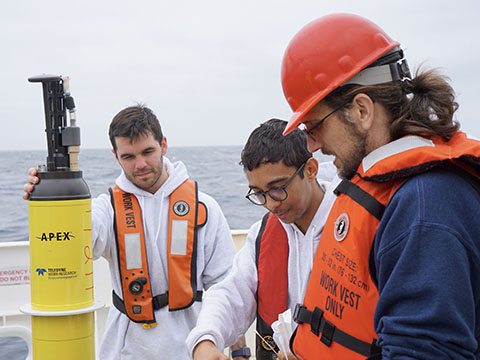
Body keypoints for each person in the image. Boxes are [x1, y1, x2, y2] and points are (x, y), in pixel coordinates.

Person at [279, 13, 480, 360]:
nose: (312, 145)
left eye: (314, 127)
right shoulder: (393, 187)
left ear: (361, 111)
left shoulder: (425, 206)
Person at [23, 105, 239, 360]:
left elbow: (225, 286)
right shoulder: (106, 209)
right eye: (128, 156)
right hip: (126, 349)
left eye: (148, 152)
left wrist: (240, 352)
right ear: (115, 156)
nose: (140, 164)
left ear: (164, 145)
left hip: (193, 345)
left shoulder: (205, 208)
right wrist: (52, 196)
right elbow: (75, 241)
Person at [185, 118, 340, 360]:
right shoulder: (262, 233)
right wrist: (205, 339)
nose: (270, 203)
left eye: (278, 188)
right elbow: (231, 292)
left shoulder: (351, 223)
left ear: (310, 169)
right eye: (258, 193)